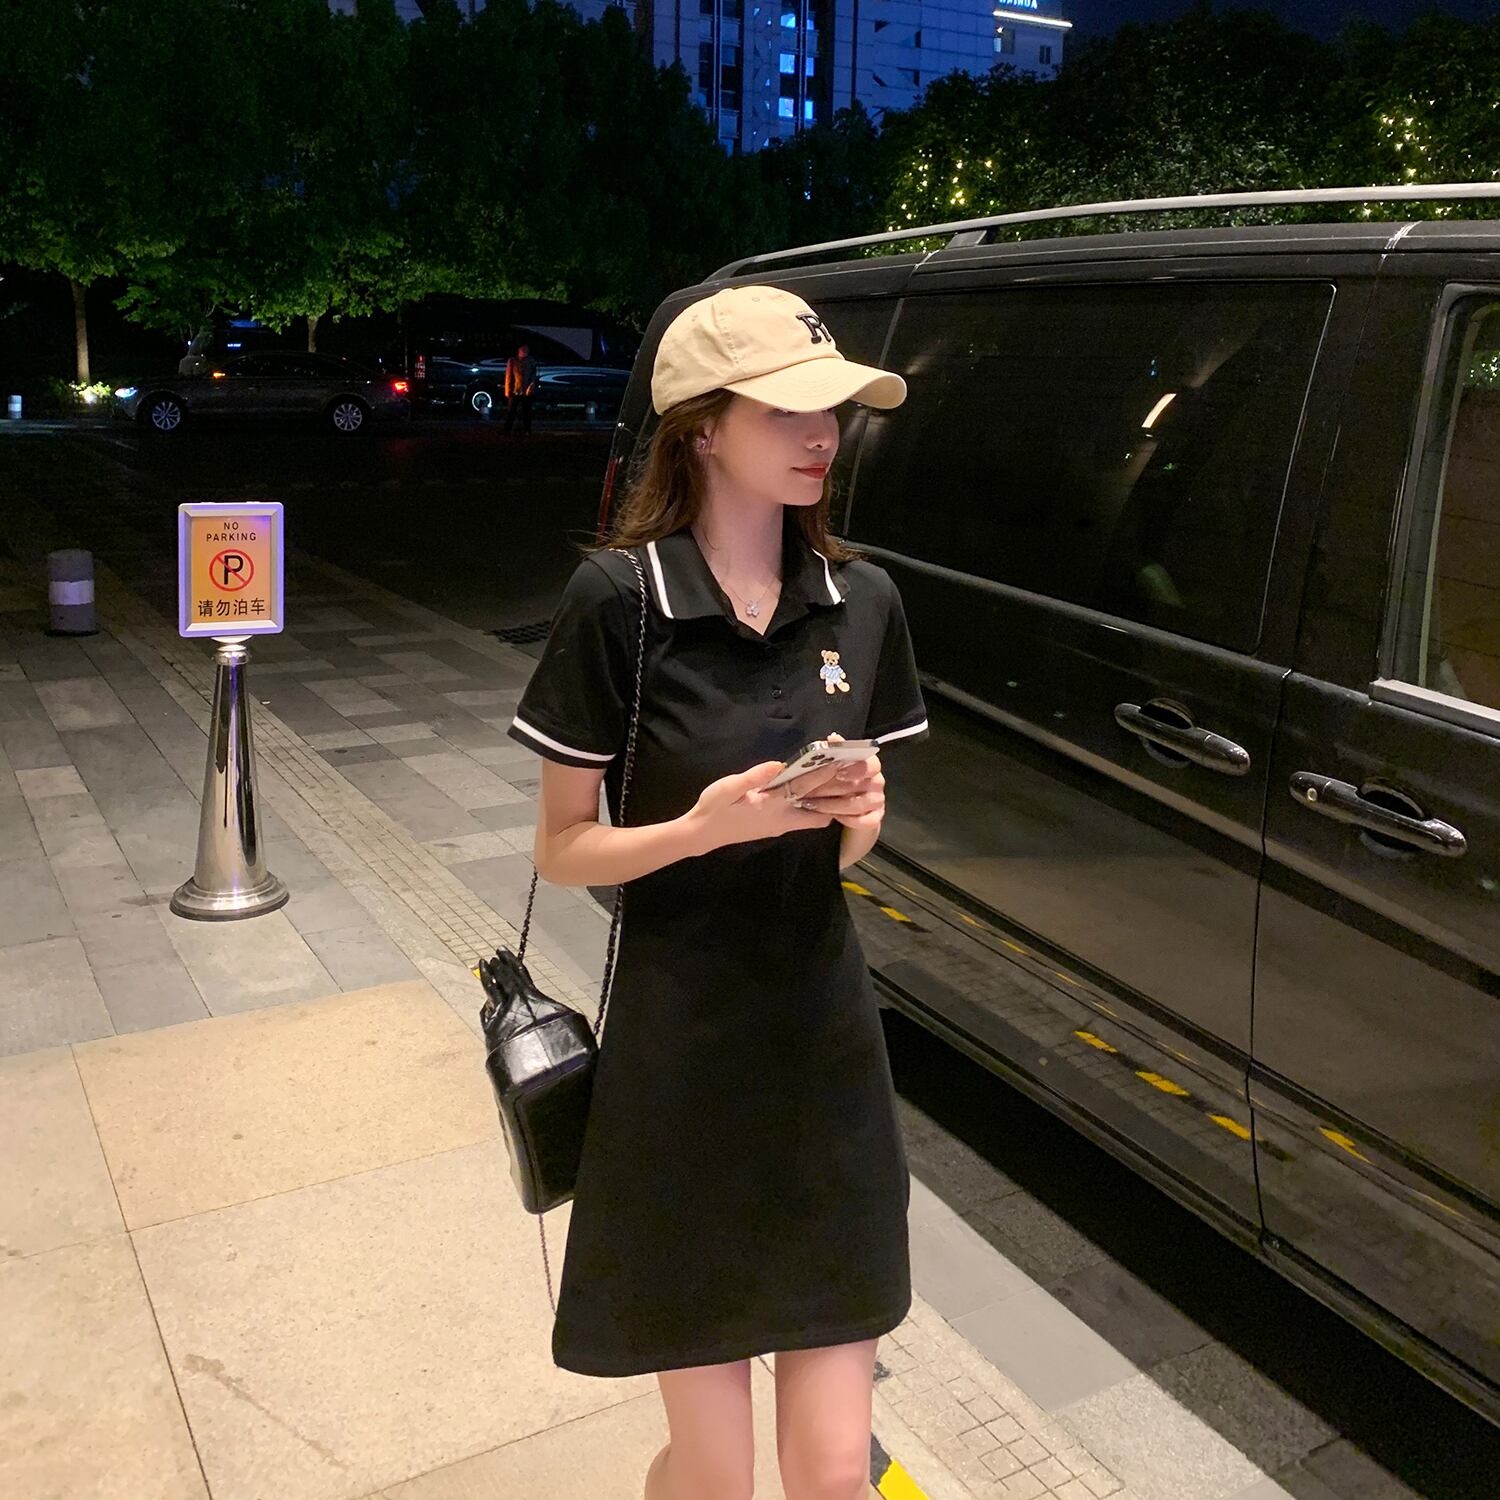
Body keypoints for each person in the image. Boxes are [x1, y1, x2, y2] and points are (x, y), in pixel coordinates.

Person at [507, 283, 925, 1500]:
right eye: (788, 409)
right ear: (700, 427)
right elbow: (562, 849)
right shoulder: (619, 603)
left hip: (824, 1051)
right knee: (716, 1474)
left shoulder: (864, 601)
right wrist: (701, 829)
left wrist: (858, 816)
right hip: (680, 1058)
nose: (823, 434)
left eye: (832, 408)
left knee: (835, 1471)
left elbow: (845, 848)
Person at [504, 341, 538, 433]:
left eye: (526, 350)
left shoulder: (531, 361)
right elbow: (509, 376)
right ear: (519, 350)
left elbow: (533, 375)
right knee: (511, 411)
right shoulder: (512, 360)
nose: (525, 351)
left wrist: (531, 386)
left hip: (526, 391)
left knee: (527, 412)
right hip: (515, 390)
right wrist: (507, 390)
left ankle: (527, 430)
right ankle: (507, 430)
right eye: (523, 349)